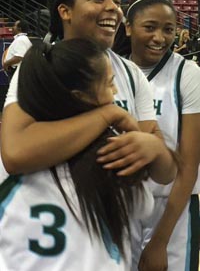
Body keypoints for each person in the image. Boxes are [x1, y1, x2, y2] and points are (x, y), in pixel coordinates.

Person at [0, 38, 175, 270]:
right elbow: (151, 196)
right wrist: (154, 146)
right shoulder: (112, 156)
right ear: (80, 96)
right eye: (110, 83)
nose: (114, 91)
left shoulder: (18, 160)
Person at [1, 0, 176, 181]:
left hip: (108, 212)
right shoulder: (40, 65)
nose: (114, 7)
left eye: (117, 0)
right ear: (65, 11)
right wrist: (107, 115)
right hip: (48, 211)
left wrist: (156, 150)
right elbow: (15, 155)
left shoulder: (131, 74)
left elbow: (165, 175)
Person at [124, 0, 200, 271]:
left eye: (168, 29)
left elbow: (189, 164)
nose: (160, 37)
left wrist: (159, 242)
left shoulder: (187, 74)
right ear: (128, 26)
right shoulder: (112, 70)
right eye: (150, 27)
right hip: (122, 207)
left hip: (172, 211)